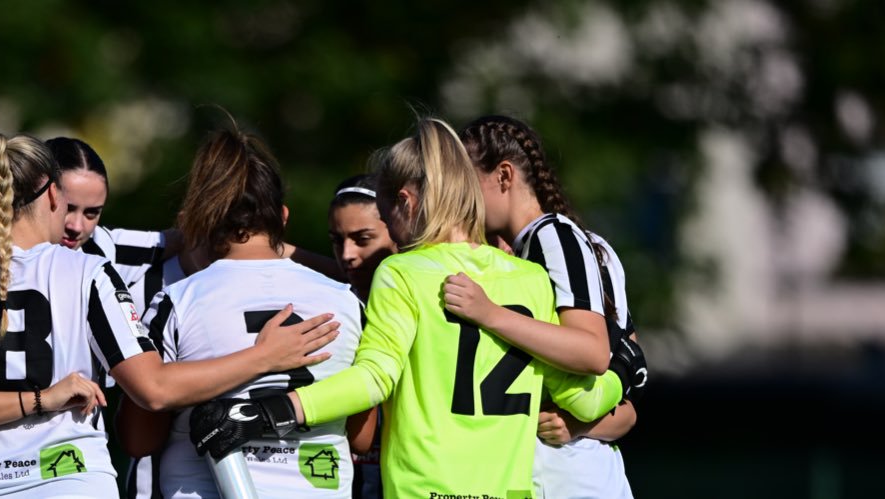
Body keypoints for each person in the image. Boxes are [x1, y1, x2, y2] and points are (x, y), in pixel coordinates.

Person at [0, 133, 342, 498]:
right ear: (53, 194)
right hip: (71, 481)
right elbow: (151, 389)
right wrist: (261, 357)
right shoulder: (90, 273)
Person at [187, 117, 632, 498]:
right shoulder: (529, 278)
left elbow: (372, 379)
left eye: (386, 214)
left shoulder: (403, 272)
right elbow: (582, 398)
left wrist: (269, 411)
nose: (394, 236)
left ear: (406, 202)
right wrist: (623, 371)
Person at [118, 122, 365, 498]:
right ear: (282, 217)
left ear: (204, 218)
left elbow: (139, 440)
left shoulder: (177, 300)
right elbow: (362, 437)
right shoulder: (346, 301)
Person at [460, 114, 646, 499]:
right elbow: (626, 374)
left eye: (465, 182)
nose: (458, 196)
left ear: (505, 176)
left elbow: (596, 355)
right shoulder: (537, 245)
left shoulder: (554, 238)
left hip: (571, 482)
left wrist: (492, 315)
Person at [325, 174, 397, 499]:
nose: (348, 254)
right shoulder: (331, 304)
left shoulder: (432, 297)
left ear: (397, 228)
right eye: (336, 240)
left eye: (363, 238)